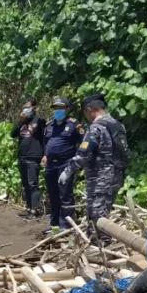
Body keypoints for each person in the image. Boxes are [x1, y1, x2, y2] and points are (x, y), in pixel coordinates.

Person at [59, 93, 130, 245]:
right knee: (102, 210)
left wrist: (68, 170)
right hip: (116, 175)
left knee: (97, 213)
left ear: (89, 110)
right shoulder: (118, 125)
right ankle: (95, 240)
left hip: (100, 177)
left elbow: (83, 154)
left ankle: (101, 244)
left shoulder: (96, 128)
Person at [42, 97, 84, 235]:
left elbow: (83, 143)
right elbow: (46, 143)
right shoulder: (49, 125)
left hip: (66, 164)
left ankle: (66, 225)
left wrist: (77, 160)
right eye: (55, 108)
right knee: (52, 194)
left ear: (67, 109)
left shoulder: (73, 125)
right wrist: (45, 155)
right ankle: (54, 224)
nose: (57, 111)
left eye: (60, 108)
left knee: (65, 194)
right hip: (50, 165)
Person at [11, 97, 46, 219]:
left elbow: (44, 138)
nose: (26, 110)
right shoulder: (22, 121)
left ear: (35, 108)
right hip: (22, 156)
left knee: (32, 183)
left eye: (28, 107)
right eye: (24, 108)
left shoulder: (40, 121)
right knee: (25, 183)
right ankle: (28, 208)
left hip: (33, 156)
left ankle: (35, 210)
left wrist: (45, 155)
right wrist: (20, 121)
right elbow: (13, 134)